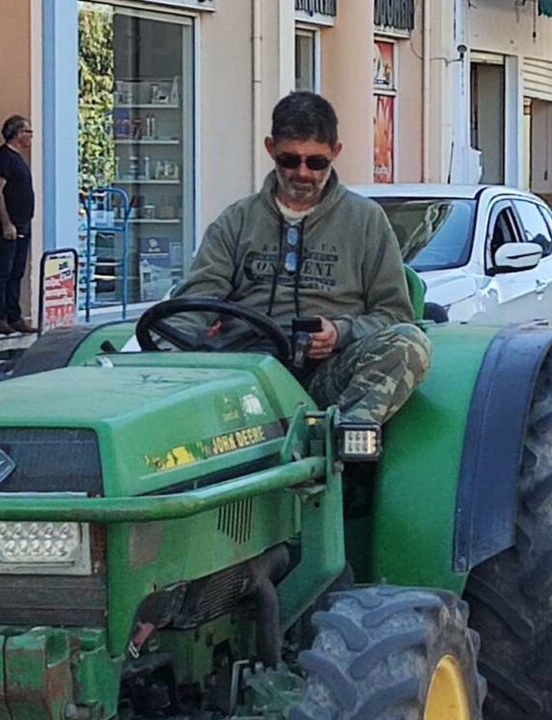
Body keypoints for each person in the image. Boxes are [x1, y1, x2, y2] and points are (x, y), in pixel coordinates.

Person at [171, 91, 430, 457]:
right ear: (270, 148)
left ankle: (335, 452)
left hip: (328, 374)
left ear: (335, 153)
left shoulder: (367, 222)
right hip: (244, 377)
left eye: (316, 162)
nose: (303, 173)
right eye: (290, 160)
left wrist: (339, 332)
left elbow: (394, 315)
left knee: (408, 344)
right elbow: (194, 304)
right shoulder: (237, 221)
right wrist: (156, 357)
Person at [0, 115, 36, 335]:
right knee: (2, 271)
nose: (31, 136)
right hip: (7, 225)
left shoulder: (18, 158)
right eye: (28, 132)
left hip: (23, 223)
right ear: (17, 134)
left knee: (17, 271)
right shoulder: (3, 157)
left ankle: (14, 315)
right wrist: (6, 223)